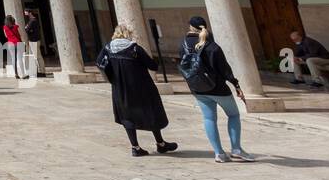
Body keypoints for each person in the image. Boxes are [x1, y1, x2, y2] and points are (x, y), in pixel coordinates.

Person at [179, 16, 252, 163]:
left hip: (198, 88)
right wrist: (236, 85)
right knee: (233, 115)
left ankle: (219, 153)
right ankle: (236, 149)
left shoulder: (183, 45)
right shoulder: (212, 46)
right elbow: (225, 69)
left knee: (209, 118)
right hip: (218, 88)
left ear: (191, 27)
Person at [97, 24, 177, 156]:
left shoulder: (107, 48)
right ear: (128, 34)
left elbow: (100, 63)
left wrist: (112, 76)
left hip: (120, 89)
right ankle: (160, 143)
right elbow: (152, 66)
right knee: (151, 112)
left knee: (127, 116)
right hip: (141, 87)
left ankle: (135, 147)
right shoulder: (134, 48)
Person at [3, 15, 27, 80]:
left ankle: (16, 74)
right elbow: (20, 34)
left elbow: (6, 36)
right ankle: (23, 74)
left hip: (10, 43)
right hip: (18, 42)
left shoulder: (4, 27)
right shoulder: (16, 26)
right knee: (20, 59)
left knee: (13, 59)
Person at [24, 9, 44, 77]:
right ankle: (38, 71)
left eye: (25, 12)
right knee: (35, 56)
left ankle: (41, 71)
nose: (25, 14)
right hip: (34, 40)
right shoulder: (33, 20)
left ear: (30, 13)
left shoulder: (32, 21)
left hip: (34, 40)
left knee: (37, 56)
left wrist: (27, 28)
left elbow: (26, 29)